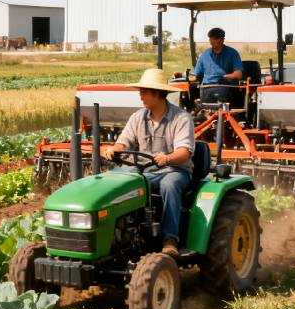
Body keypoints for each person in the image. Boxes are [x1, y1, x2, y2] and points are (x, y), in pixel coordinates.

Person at [99, 68, 195, 257]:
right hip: (144, 170)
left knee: (169, 185)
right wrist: (114, 149)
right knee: (114, 181)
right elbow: (123, 142)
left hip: (174, 169)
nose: (140, 96)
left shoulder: (181, 118)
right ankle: (115, 236)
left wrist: (167, 158)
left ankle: (170, 239)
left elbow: (184, 152)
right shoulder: (138, 117)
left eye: (144, 91)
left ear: (157, 93)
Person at [191, 27, 244, 105]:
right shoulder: (204, 54)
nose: (217, 41)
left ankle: (222, 114)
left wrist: (227, 76)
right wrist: (186, 76)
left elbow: (239, 73)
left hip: (225, 85)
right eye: (214, 38)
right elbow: (195, 74)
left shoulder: (232, 53)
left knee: (223, 92)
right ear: (210, 40)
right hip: (207, 87)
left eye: (219, 39)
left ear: (223, 40)